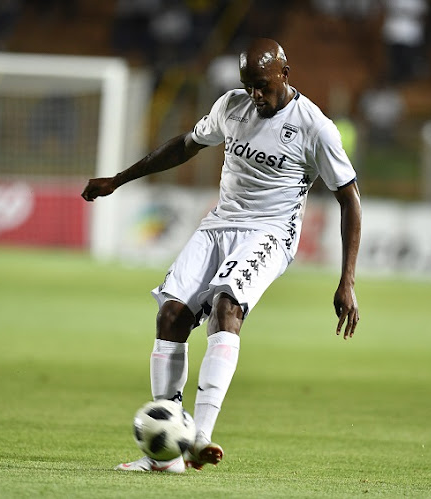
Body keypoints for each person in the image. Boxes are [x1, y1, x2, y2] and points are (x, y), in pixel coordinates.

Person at [81, 38, 362, 473]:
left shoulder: (315, 127)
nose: (256, 95)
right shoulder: (231, 106)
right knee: (171, 315)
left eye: (264, 85)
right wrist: (118, 180)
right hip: (218, 225)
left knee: (226, 307)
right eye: (249, 85)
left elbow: (350, 199)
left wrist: (347, 280)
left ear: (285, 74)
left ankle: (199, 439)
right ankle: (165, 453)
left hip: (269, 233)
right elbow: (185, 145)